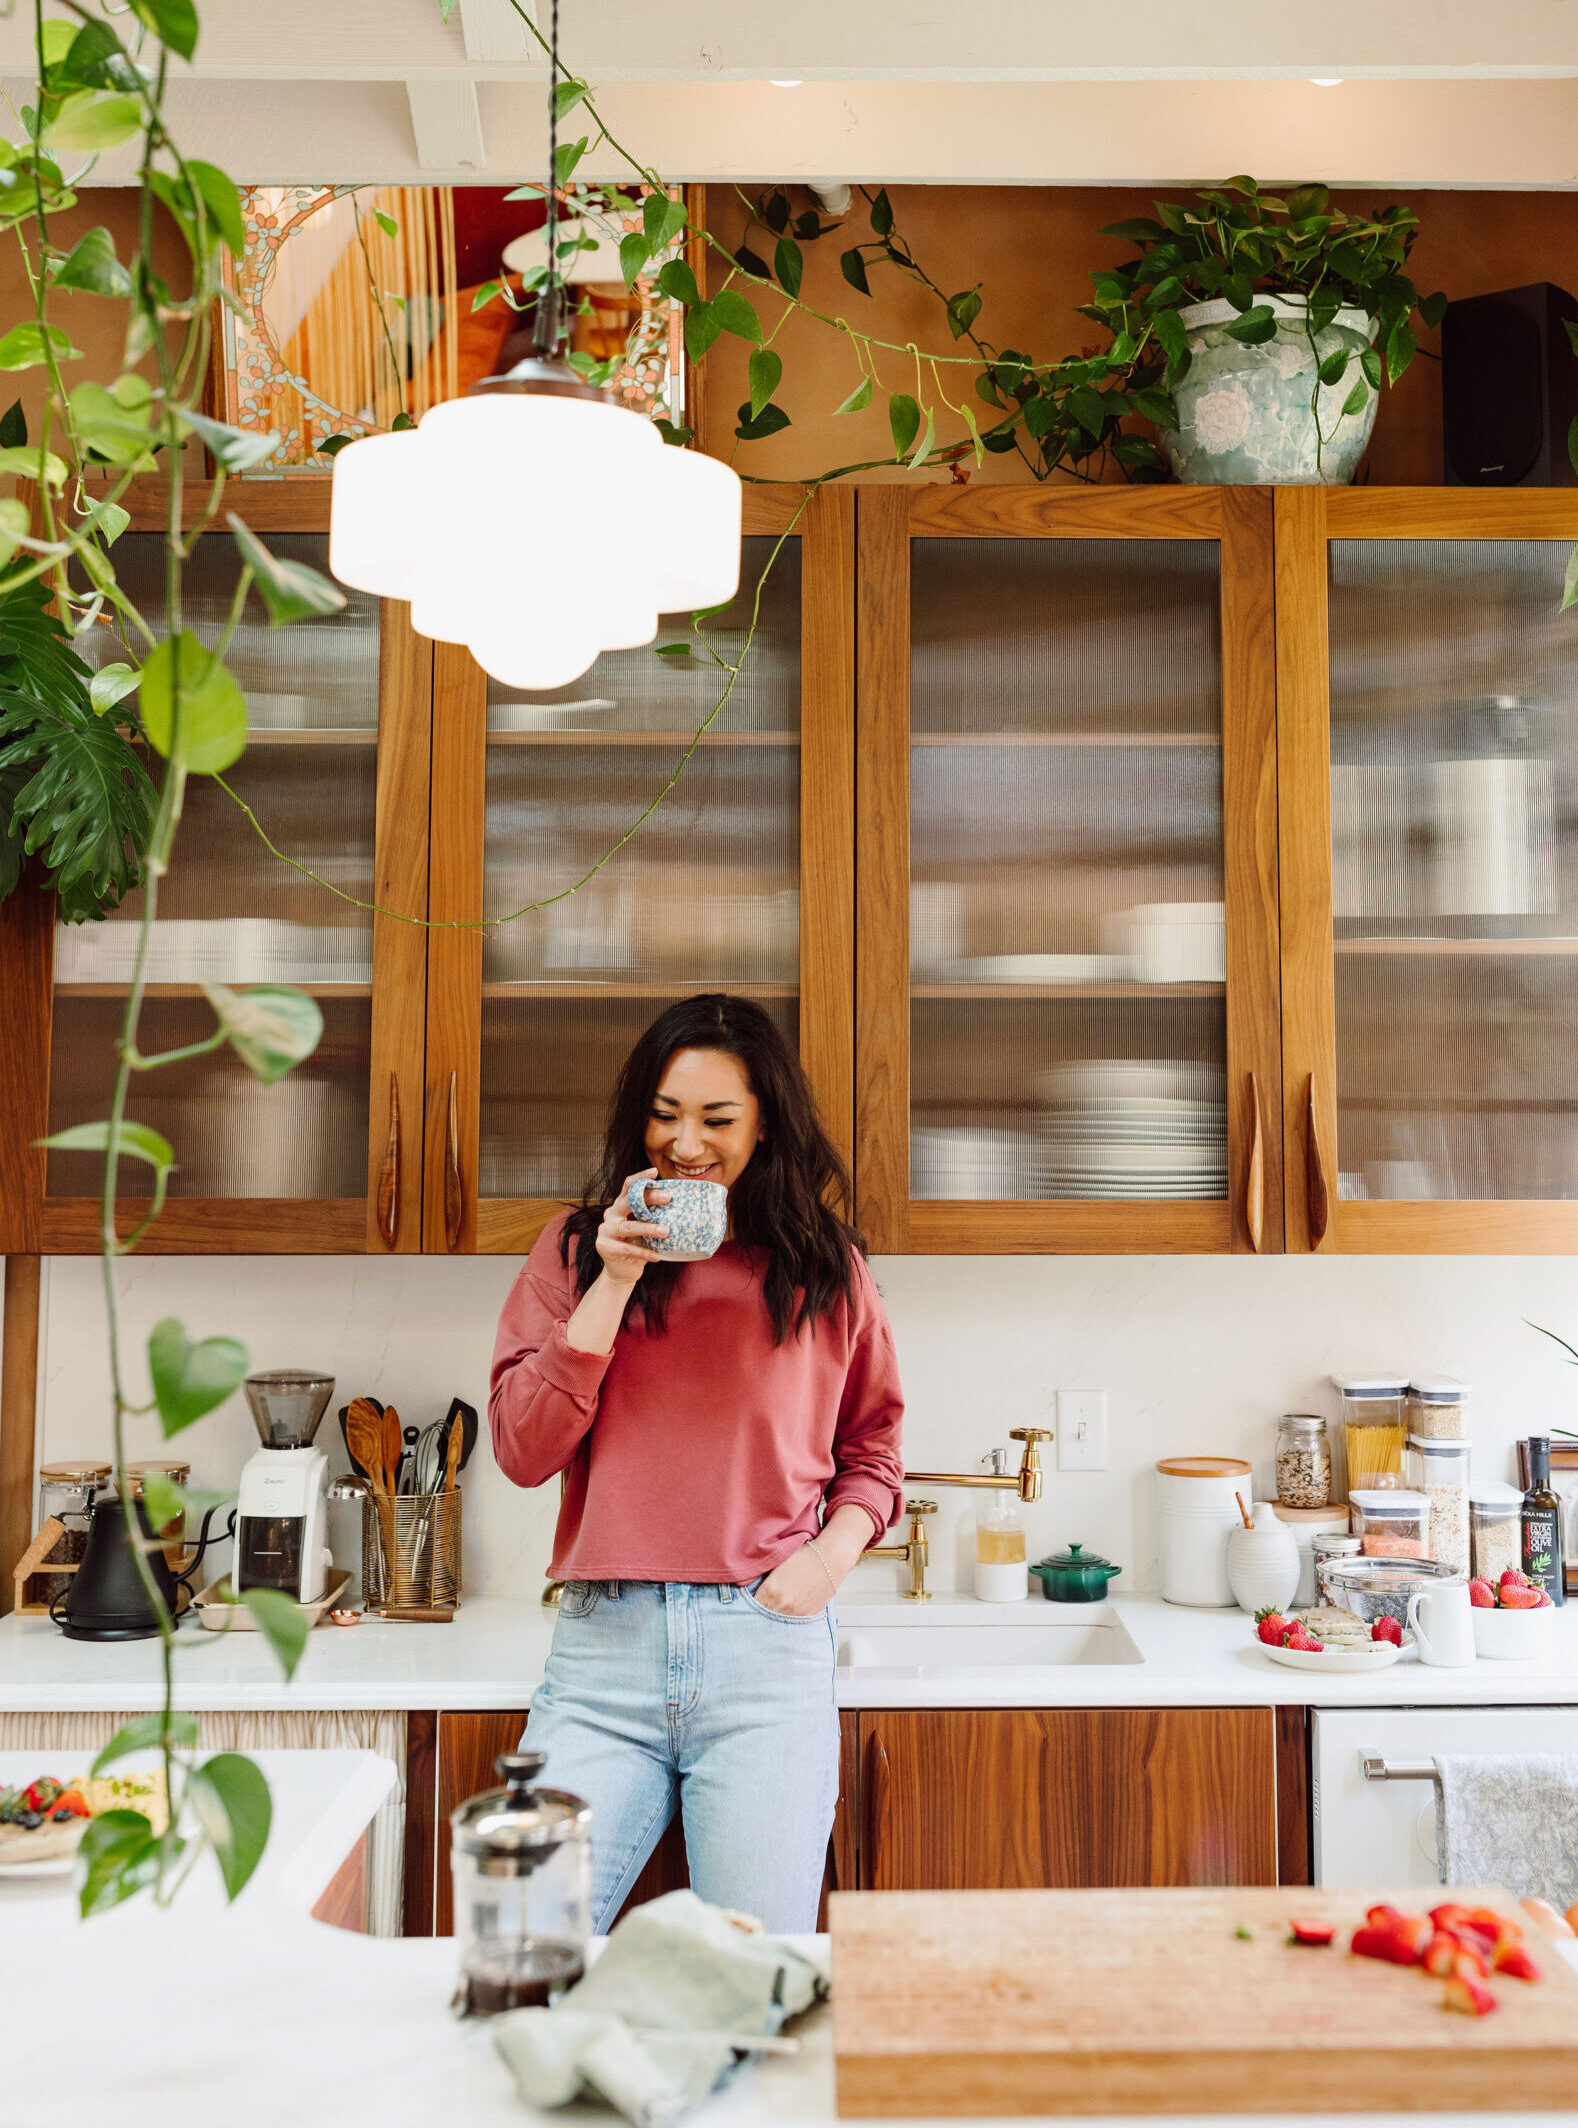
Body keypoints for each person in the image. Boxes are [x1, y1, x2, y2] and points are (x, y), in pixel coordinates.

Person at [489, 992, 905, 1932]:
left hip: (765, 1650)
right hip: (604, 1656)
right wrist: (616, 1278)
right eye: (665, 1115)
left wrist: (824, 1564)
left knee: (750, 1968)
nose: (685, 1144)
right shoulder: (571, 1250)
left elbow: (873, 1450)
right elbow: (520, 1450)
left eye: (717, 1119)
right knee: (521, 1943)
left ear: (764, 1126)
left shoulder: (824, 1269)